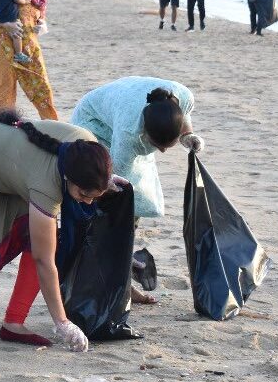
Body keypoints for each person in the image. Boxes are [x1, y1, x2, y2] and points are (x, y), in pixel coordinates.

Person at [0, 109, 119, 350]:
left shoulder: (88, 149)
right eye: (83, 195)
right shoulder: (47, 185)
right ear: (68, 179)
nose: (87, 202)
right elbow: (44, 261)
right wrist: (62, 322)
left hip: (12, 167)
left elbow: (90, 175)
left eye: (94, 197)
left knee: (37, 239)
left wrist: (104, 182)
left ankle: (14, 323)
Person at [71, 77, 202, 303]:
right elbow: (115, 182)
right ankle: (109, 278)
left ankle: (121, 274)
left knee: (137, 200)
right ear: (144, 133)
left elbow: (183, 115)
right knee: (115, 198)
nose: (160, 152)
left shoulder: (184, 97)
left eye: (167, 146)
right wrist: (117, 234)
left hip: (127, 110)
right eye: (157, 145)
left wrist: (188, 135)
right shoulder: (129, 132)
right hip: (93, 124)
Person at [0, 0, 57, 119]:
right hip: (5, 45)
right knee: (6, 86)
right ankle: (5, 123)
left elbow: (40, 18)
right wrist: (6, 24)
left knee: (42, 86)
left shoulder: (39, 0)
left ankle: (51, 122)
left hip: (30, 48)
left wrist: (41, 25)